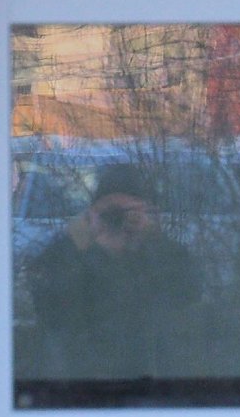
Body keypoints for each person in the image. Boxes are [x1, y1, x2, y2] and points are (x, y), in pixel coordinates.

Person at [29, 163, 200, 380]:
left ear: (144, 211)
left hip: (153, 381)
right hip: (83, 382)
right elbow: (47, 302)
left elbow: (188, 293)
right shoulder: (76, 251)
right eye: (111, 213)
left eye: (128, 212)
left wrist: (151, 239)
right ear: (93, 213)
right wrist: (81, 238)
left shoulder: (162, 254)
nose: (118, 220)